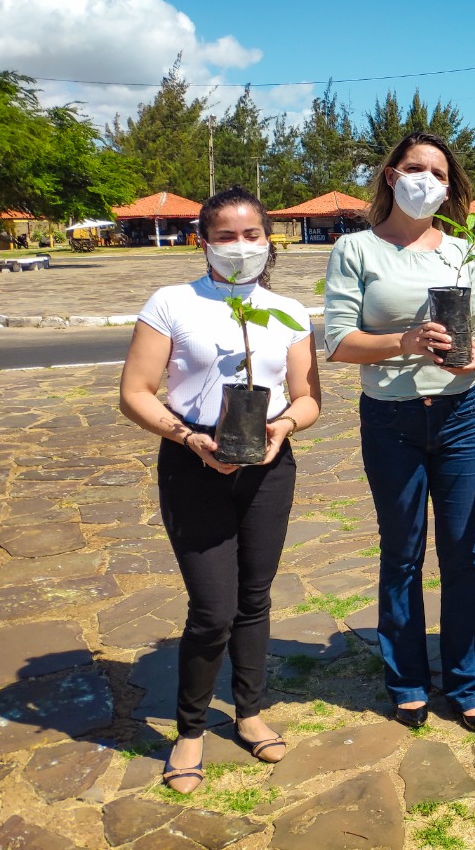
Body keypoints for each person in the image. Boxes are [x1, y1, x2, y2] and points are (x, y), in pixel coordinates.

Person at [119, 186, 321, 793]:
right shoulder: (172, 303)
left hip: (267, 464)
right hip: (193, 461)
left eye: (252, 234)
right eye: (225, 235)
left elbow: (309, 398)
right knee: (211, 610)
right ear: (202, 240)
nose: (240, 247)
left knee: (255, 599)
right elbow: (135, 392)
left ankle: (251, 711)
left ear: (269, 240)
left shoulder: (286, 311)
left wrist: (283, 427)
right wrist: (190, 440)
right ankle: (189, 730)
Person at [324, 132, 475, 734]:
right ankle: (406, 680)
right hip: (391, 419)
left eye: (439, 173)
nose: (428, 179)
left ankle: (468, 679)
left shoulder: (464, 252)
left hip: (460, 417)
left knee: (463, 553)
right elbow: (338, 342)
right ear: (392, 175)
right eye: (416, 168)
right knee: (401, 554)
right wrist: (403, 343)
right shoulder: (355, 249)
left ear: (450, 187)